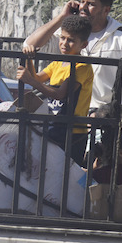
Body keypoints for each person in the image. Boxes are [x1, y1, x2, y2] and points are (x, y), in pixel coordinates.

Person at [23, 0, 122, 117]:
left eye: (91, 4)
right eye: (82, 2)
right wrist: (61, 18)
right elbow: (29, 45)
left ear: (106, 10)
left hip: (110, 113)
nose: (83, 7)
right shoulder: (71, 32)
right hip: (70, 112)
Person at [17, 14, 93, 161]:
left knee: (66, 176)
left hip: (73, 132)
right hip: (55, 127)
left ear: (83, 45)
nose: (64, 43)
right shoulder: (58, 63)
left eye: (71, 40)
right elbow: (37, 78)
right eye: (62, 38)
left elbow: (60, 94)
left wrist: (31, 82)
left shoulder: (82, 67)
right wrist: (29, 59)